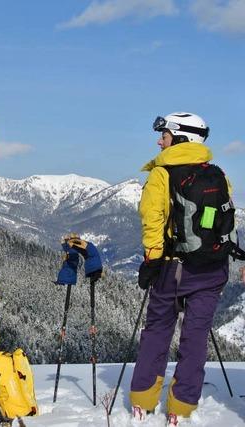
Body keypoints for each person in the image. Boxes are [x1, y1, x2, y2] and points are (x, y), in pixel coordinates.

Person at [130, 113, 233, 425]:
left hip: (172, 271)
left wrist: (151, 262)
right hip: (213, 270)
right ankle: (182, 407)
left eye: (164, 135)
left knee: (158, 332)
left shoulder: (162, 175)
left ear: (180, 138)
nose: (160, 141)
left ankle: (144, 401)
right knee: (196, 336)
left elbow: (153, 221)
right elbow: (228, 222)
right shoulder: (217, 174)